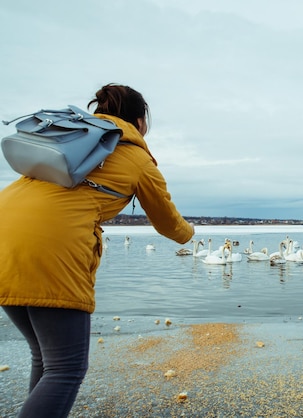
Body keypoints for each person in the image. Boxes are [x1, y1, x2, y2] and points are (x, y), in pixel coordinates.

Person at [0, 83, 195, 417]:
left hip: (6, 227)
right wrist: (188, 234)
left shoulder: (73, 142)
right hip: (49, 244)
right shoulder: (134, 155)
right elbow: (167, 222)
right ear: (139, 121)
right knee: (66, 368)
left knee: (47, 359)